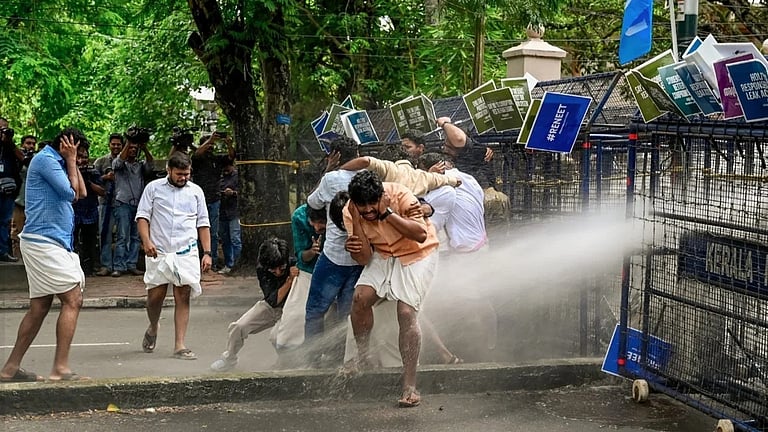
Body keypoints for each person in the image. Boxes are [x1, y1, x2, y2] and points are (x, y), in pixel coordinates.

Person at [343, 170, 439, 408]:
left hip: (418, 253)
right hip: (385, 254)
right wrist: (356, 226)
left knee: (406, 312)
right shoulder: (351, 210)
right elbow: (364, 259)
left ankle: (409, 385)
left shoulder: (401, 195)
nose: (367, 211)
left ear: (381, 196)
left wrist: (386, 213)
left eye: (372, 205)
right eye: (361, 206)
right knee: (359, 298)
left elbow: (420, 234)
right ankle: (364, 356)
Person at [0, 128, 88, 382]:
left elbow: (81, 193)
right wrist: (71, 161)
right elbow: (70, 193)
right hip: (43, 241)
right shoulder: (46, 160)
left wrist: (73, 162)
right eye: (78, 151)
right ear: (66, 144)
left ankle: (10, 369)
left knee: (39, 307)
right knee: (73, 298)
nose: (80, 158)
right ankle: (60, 368)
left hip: (52, 242)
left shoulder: (59, 162)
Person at [136, 152, 211, 360]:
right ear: (169, 170)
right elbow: (142, 217)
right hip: (158, 251)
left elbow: (203, 223)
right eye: (179, 174)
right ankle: (153, 326)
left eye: (186, 174)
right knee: (155, 297)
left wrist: (207, 253)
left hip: (186, 252)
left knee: (183, 295)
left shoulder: (196, 192)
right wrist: (146, 241)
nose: (183, 178)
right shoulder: (153, 188)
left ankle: (180, 345)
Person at [304, 136, 364, 366]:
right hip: (359, 258)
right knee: (345, 316)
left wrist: (327, 170)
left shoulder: (331, 179)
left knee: (315, 310)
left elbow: (313, 202)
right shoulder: (368, 178)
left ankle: (313, 359)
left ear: (334, 155)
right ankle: (339, 359)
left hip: (333, 257)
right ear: (357, 154)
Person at [210, 238, 297, 372]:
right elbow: (272, 300)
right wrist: (289, 281)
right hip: (271, 306)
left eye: (282, 268)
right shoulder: (262, 269)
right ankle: (229, 359)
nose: (278, 272)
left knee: (277, 337)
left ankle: (285, 362)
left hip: (291, 308)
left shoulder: (294, 263)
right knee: (238, 327)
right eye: (273, 270)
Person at [269, 203, 327, 366]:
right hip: (308, 271)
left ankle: (322, 358)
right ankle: (286, 362)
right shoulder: (299, 216)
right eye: (312, 222)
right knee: (291, 323)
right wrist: (312, 251)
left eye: (321, 223)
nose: (316, 228)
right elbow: (301, 256)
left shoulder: (341, 212)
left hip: (334, 271)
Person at [435, 117, 510, 222]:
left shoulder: (475, 150)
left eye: (449, 146)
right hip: (475, 199)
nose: (445, 149)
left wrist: (444, 123)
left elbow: (459, 139)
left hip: (487, 197)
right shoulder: (451, 156)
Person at [112, 126, 154, 277]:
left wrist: (145, 148)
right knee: (122, 236)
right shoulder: (120, 164)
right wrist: (129, 141)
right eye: (130, 148)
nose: (133, 150)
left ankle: (131, 264)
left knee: (136, 236)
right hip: (122, 203)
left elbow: (151, 165)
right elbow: (118, 163)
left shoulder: (140, 165)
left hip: (138, 204)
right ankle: (119, 266)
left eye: (135, 149)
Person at [192, 132, 235, 270]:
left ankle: (213, 262)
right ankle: (197, 259)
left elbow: (231, 157)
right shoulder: (198, 160)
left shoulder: (217, 159)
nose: (210, 147)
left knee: (213, 233)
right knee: (196, 231)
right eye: (208, 145)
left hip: (214, 199)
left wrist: (228, 143)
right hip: (199, 200)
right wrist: (210, 139)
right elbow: (197, 154)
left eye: (212, 145)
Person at [94, 133, 125, 276]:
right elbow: (91, 179)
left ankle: (119, 265)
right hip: (104, 202)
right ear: (109, 144)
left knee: (122, 235)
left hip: (121, 203)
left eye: (119, 144)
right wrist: (105, 177)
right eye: (113, 144)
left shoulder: (126, 162)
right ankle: (106, 265)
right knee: (104, 234)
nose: (116, 146)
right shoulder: (101, 161)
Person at [73, 145, 105, 275]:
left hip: (90, 212)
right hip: (74, 212)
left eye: (85, 157)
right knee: (73, 241)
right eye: (80, 157)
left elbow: (103, 191)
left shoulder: (93, 172)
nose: (83, 160)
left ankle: (89, 267)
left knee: (90, 242)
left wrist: (88, 182)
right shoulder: (70, 171)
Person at [0, 118, 23, 262]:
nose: (4, 131)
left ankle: (2, 251)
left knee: (5, 221)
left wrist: (9, 142)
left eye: (6, 128)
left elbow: (23, 159)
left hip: (7, 190)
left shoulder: (9, 147)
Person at [10, 134, 36, 259]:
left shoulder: (37, 160)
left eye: (33, 143)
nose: (31, 146)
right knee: (16, 231)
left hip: (34, 203)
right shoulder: (16, 159)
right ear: (22, 145)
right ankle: (17, 259)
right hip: (19, 201)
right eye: (28, 143)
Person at [217, 159, 240, 274]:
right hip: (222, 212)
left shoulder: (238, 177)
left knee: (235, 238)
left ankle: (237, 263)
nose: (225, 170)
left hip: (234, 211)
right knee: (225, 240)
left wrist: (233, 193)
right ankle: (229, 264)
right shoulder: (220, 178)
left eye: (227, 167)